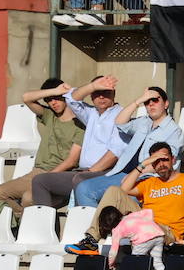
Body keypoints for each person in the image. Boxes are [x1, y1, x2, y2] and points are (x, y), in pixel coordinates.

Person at [70, 142, 184, 265]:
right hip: (143, 222)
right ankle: (91, 239)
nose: (161, 164)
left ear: (173, 159)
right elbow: (124, 188)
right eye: (156, 162)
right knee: (113, 190)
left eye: (164, 159)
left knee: (146, 224)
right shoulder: (150, 182)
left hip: (166, 231)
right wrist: (143, 165)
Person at [73, 85, 184, 208]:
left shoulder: (174, 131)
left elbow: (165, 162)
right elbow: (119, 123)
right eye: (147, 102)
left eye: (155, 100)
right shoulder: (143, 122)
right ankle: (97, 226)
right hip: (122, 173)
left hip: (148, 179)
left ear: (166, 104)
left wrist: (135, 174)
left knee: (117, 201)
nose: (151, 104)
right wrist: (138, 101)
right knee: (83, 188)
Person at [0, 79, 85, 217]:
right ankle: (22, 219)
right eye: (48, 100)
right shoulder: (49, 115)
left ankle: (27, 224)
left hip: (60, 176)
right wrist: (55, 91)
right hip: (37, 172)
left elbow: (71, 161)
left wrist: (45, 178)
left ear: (66, 97)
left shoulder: (80, 124)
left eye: (57, 98)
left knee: (29, 198)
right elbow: (26, 98)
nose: (53, 103)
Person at [31, 75, 122, 208]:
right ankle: (43, 225)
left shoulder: (121, 115)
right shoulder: (91, 113)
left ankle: (80, 223)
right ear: (91, 96)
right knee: (40, 181)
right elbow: (71, 99)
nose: (101, 97)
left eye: (106, 92)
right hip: (82, 171)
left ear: (113, 93)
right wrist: (92, 86)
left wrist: (90, 171)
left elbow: (114, 153)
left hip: (104, 173)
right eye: (97, 93)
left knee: (79, 180)